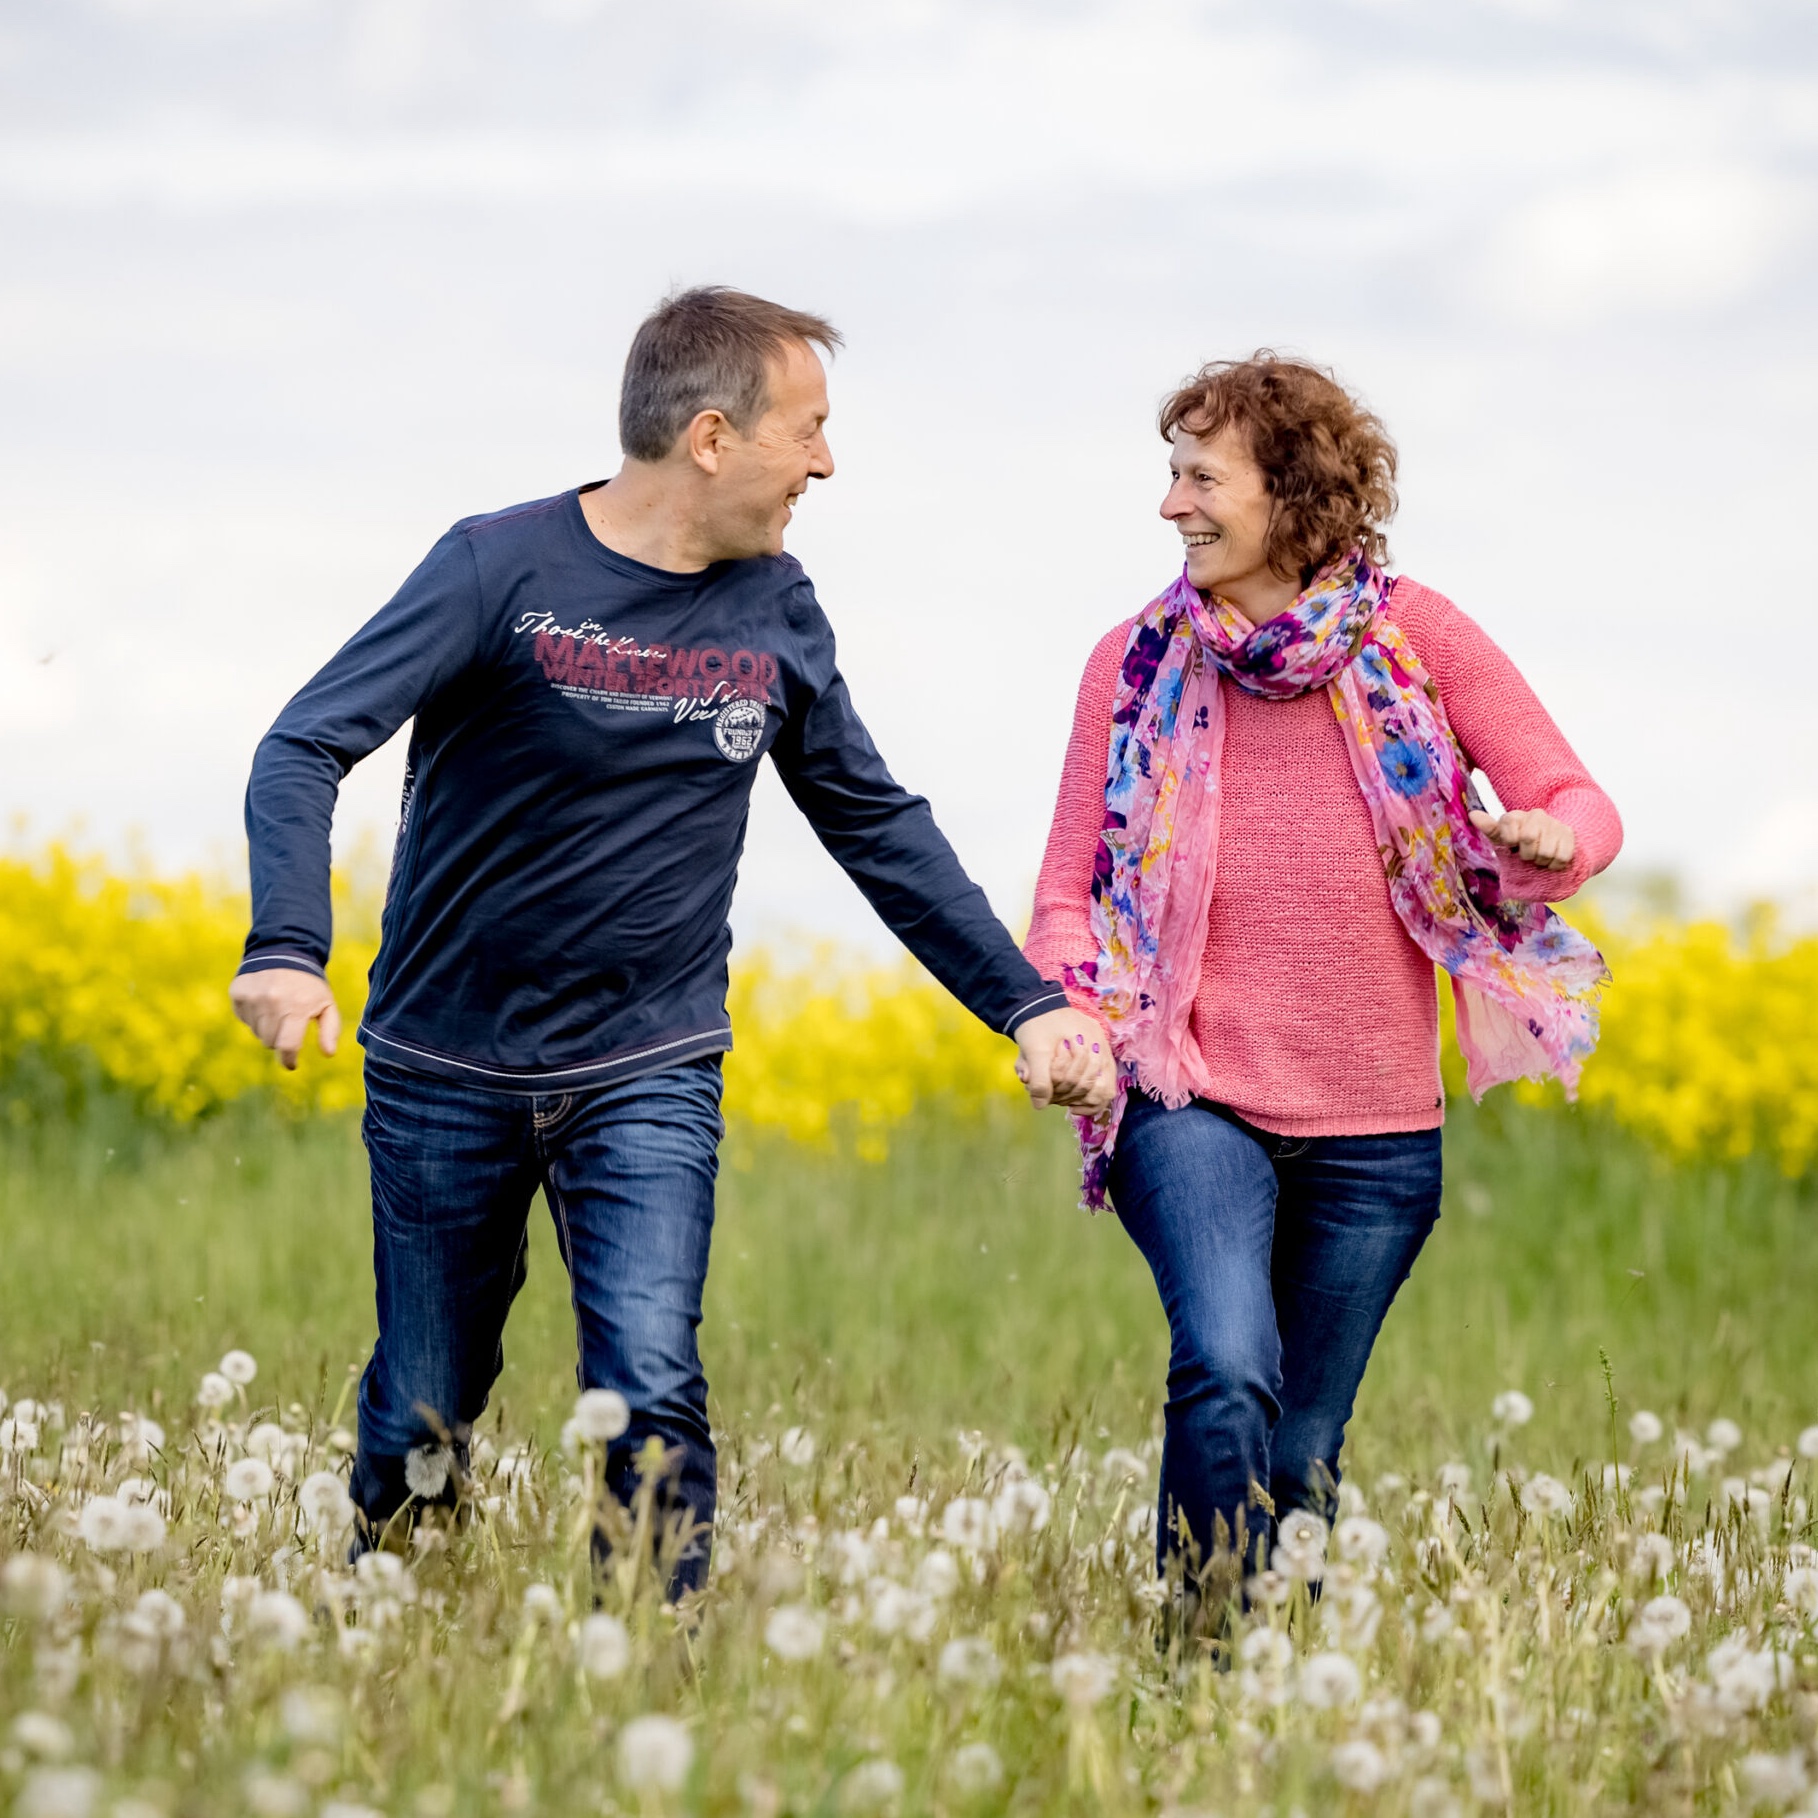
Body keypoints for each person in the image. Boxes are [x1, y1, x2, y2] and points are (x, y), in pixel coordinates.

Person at [229, 285, 1112, 1594]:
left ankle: (647, 1656)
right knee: (424, 1402)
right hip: (443, 1064)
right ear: (711, 438)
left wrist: (1024, 1000)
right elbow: (304, 743)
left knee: (649, 1381)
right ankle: (386, 1617)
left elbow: (873, 822)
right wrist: (286, 944)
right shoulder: (498, 566)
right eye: (807, 429)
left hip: (647, 1062)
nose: (826, 460)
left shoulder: (775, 606)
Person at [1024, 352, 1619, 1627]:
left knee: (1299, 1455)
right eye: (1170, 473)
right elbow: (1068, 890)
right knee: (1226, 1368)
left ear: (1293, 497)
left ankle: (1281, 1692)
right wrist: (1065, 1010)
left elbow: (1577, 800)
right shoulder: (1130, 661)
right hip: (1187, 1094)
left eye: (1201, 476)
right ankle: (1195, 1664)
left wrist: (1558, 843)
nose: (1171, 505)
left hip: (1377, 1134)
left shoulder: (1420, 637)